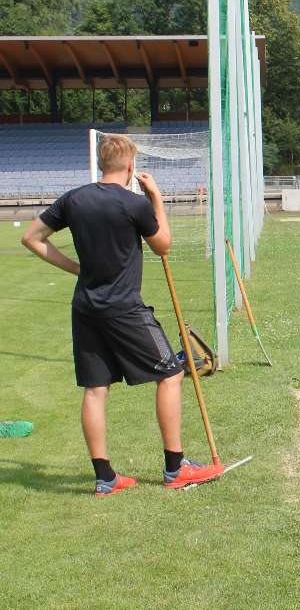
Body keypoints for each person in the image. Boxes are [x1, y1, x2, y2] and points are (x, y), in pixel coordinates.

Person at [20, 134, 223, 495]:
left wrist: (76, 269)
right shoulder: (134, 204)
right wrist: (156, 199)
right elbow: (163, 246)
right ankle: (176, 469)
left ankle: (105, 478)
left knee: (96, 390)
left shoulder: (73, 199)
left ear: (101, 164)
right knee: (172, 374)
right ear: (130, 166)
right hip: (124, 308)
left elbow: (33, 238)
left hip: (85, 308)